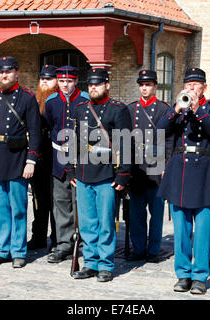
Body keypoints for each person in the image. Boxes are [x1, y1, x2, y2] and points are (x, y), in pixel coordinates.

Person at [157, 67, 210, 294]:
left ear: (204, 87)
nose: (191, 89)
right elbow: (160, 129)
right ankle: (183, 274)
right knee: (181, 229)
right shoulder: (179, 110)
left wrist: (198, 110)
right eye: (188, 85)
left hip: (204, 172)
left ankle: (199, 276)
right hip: (180, 171)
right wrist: (177, 108)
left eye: (195, 85)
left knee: (204, 229)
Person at [0, 56, 41, 268]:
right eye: (1, 72)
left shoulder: (27, 98)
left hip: (17, 160)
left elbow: (35, 133)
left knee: (18, 208)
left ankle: (19, 251)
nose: (4, 75)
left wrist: (31, 160)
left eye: (9, 71)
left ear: (16, 73)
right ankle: (3, 250)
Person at [67, 68, 132, 282]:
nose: (93, 87)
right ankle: (91, 263)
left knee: (105, 223)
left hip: (107, 175)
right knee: (87, 223)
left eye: (98, 84)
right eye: (91, 84)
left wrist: (123, 174)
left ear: (107, 86)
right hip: (85, 173)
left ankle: (105, 264)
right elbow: (73, 141)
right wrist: (70, 169)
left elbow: (126, 143)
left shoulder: (117, 110)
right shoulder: (79, 109)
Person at [127, 70, 174, 263]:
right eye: (142, 84)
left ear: (155, 86)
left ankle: (153, 249)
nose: (144, 88)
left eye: (148, 84)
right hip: (137, 166)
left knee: (156, 212)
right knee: (136, 211)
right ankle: (138, 247)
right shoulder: (131, 109)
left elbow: (169, 138)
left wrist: (167, 164)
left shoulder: (164, 109)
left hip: (156, 164)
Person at [45, 66, 90, 263]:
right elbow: (48, 126)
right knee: (61, 202)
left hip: (81, 158)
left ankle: (83, 241)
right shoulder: (52, 102)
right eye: (62, 81)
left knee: (81, 202)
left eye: (69, 81)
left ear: (76, 81)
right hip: (59, 158)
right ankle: (63, 243)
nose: (65, 85)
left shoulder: (86, 100)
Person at [27, 65, 58, 251]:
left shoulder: (56, 101)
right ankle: (38, 236)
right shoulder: (35, 100)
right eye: (42, 78)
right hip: (38, 157)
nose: (45, 81)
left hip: (54, 155)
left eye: (49, 78)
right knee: (38, 199)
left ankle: (56, 238)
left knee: (55, 199)